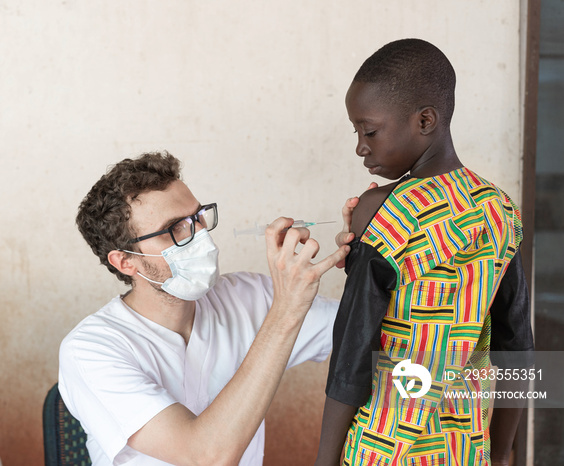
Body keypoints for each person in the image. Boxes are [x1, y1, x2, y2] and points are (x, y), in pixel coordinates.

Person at [315, 39, 535, 466]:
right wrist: (503, 448)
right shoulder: (500, 209)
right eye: (356, 132)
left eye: (370, 130)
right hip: (464, 444)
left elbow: (351, 353)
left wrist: (324, 460)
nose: (361, 146)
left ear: (426, 120)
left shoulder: (382, 212)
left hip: (384, 444)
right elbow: (517, 344)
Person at [59, 151, 355, 465]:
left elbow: (368, 330)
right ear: (126, 261)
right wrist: (286, 311)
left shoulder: (247, 297)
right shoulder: (90, 350)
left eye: (197, 217)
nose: (200, 236)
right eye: (175, 229)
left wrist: (366, 253)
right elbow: (207, 456)